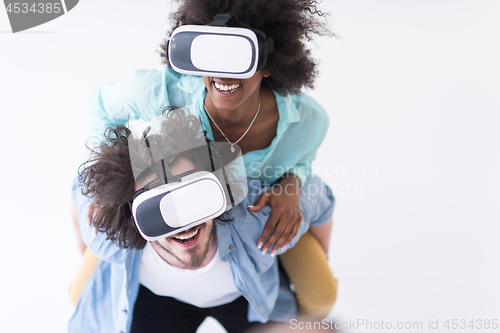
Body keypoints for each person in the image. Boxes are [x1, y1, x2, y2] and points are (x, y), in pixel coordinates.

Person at [73, 0, 337, 318]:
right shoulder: (162, 94)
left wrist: (292, 183)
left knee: (321, 294)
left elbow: (303, 160)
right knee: (82, 292)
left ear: (269, 63)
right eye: (211, 57)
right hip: (172, 215)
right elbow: (100, 107)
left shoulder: (308, 121)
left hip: (256, 223)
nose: (222, 73)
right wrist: (110, 188)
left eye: (238, 57)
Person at [69, 110, 335, 333]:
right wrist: (87, 251)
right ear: (130, 215)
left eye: (194, 198)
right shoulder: (107, 237)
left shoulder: (257, 215)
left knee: (322, 294)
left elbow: (321, 198)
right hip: (157, 301)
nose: (183, 224)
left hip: (244, 297)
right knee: (78, 292)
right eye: (158, 210)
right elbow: (77, 190)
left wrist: (320, 254)